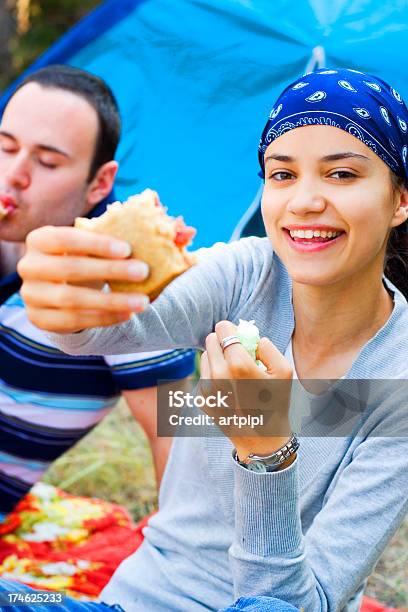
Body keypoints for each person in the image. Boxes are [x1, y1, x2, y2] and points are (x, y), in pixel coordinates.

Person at [14, 68, 408, 611]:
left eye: (341, 174)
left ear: (400, 200)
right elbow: (109, 329)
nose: (305, 202)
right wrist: (64, 301)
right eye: (282, 174)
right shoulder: (246, 274)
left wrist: (265, 450)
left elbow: (301, 604)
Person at [0, 64, 196, 520]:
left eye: (47, 162)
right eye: (5, 147)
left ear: (100, 184)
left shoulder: (119, 280)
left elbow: (178, 434)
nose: (13, 174)